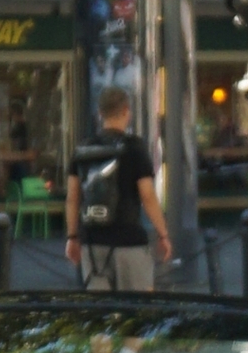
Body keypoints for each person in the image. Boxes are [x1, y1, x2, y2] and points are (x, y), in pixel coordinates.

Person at [67, 87, 172, 291]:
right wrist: (163, 234)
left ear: (100, 114)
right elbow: (148, 196)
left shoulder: (83, 149)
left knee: (100, 314)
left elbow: (73, 198)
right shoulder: (135, 148)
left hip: (92, 242)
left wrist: (72, 237)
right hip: (129, 241)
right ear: (126, 111)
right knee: (137, 313)